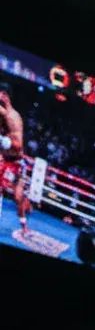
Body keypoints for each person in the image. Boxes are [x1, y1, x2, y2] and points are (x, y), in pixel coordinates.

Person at [0, 82, 30, 231]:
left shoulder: (14, 118)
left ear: (5, 96)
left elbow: (17, 145)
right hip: (4, 158)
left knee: (17, 197)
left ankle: (24, 223)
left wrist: (2, 140)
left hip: (16, 162)